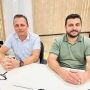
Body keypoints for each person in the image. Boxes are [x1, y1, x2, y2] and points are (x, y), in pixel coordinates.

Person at [47, 14, 90, 85]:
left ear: (81, 26)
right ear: (65, 27)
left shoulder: (88, 41)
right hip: (61, 73)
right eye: (70, 25)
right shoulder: (57, 41)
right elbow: (50, 59)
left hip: (80, 74)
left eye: (77, 25)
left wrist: (87, 75)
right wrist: (62, 72)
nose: (74, 28)